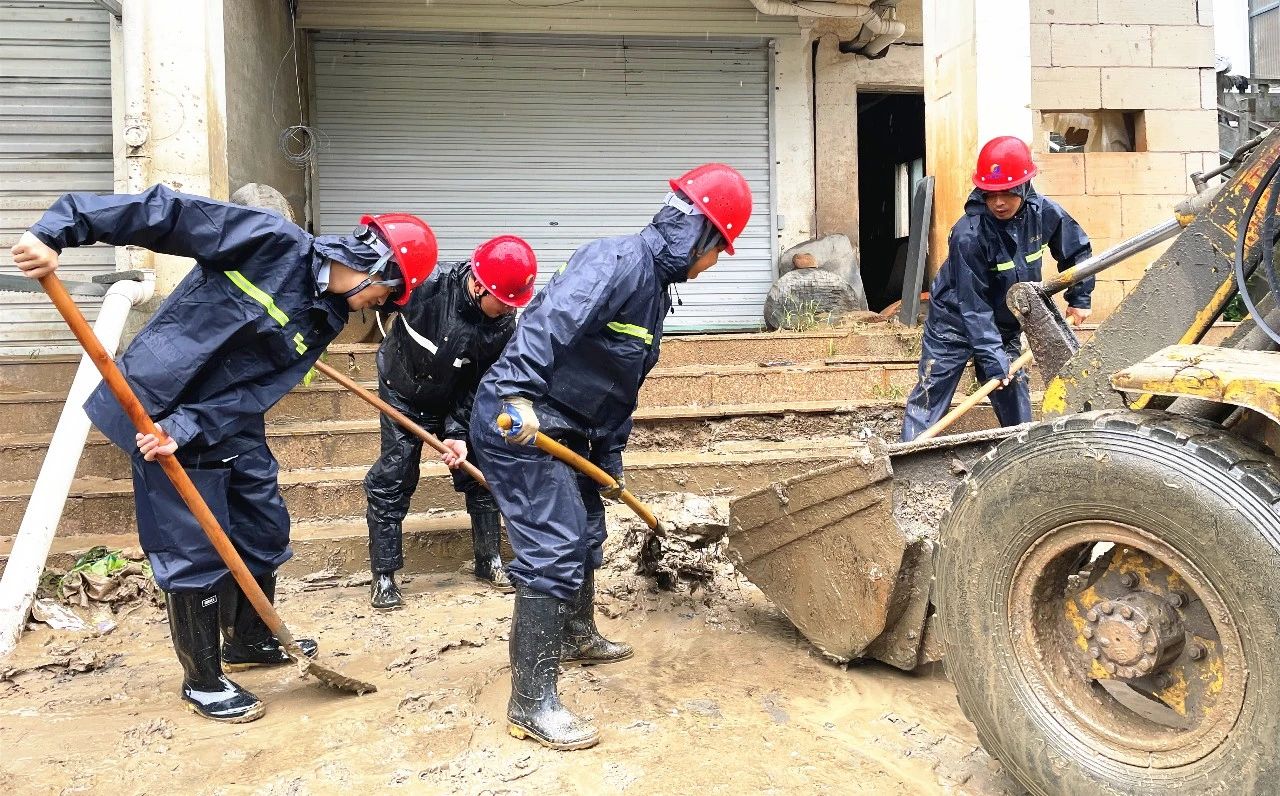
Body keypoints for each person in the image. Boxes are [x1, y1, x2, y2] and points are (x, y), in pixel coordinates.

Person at [10, 184, 437, 723]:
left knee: (264, 526)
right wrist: (57, 230)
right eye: (386, 295)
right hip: (158, 408)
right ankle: (203, 679)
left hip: (224, 419)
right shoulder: (269, 242)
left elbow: (261, 387)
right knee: (192, 548)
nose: (381, 306)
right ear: (374, 264)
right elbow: (164, 214)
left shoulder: (325, 317)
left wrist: (196, 424)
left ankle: (248, 639)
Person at [469, 163, 753, 750]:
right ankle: (531, 702)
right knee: (553, 542)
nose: (714, 263)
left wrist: (611, 459)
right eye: (717, 249)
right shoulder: (617, 261)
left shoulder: (655, 292)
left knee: (587, 527)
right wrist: (517, 394)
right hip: (521, 420)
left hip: (575, 429)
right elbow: (546, 326)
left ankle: (574, 633)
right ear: (695, 231)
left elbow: (619, 391)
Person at [364, 235, 537, 608]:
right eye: (503, 302)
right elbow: (369, 287)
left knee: (481, 470)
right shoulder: (426, 288)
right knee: (393, 476)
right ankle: (384, 574)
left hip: (455, 399)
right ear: (478, 284)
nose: (509, 310)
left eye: (513, 304)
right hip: (403, 391)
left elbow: (480, 385)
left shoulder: (504, 326)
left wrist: (458, 432)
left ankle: (488, 559)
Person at [901, 136, 1094, 442]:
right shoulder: (969, 235)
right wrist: (991, 358)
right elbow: (973, 305)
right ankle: (907, 455)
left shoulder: (1044, 213)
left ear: (1023, 186)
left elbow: (1077, 252)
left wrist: (1080, 298)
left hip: (1004, 322)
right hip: (954, 319)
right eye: (991, 195)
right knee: (932, 387)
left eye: (1006, 193)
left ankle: (1022, 449)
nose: (999, 203)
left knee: (1011, 383)